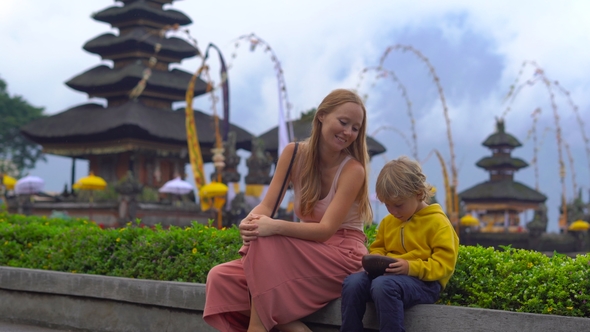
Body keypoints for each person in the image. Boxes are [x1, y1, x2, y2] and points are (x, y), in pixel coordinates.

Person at [203, 89, 373, 332]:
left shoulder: (353, 170)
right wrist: (250, 221)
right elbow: (267, 206)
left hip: (342, 257)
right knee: (220, 279)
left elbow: (325, 230)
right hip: (306, 252)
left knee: (267, 239)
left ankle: (257, 328)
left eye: (355, 128)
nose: (348, 132)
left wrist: (273, 226)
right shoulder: (293, 154)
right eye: (343, 122)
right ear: (322, 116)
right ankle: (292, 327)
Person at [340, 156, 459, 332]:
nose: (392, 211)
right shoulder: (389, 222)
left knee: (383, 286)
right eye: (387, 205)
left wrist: (410, 267)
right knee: (353, 282)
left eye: (398, 205)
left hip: (423, 283)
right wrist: (377, 258)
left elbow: (444, 265)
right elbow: (379, 247)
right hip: (388, 278)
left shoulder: (439, 224)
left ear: (419, 194)